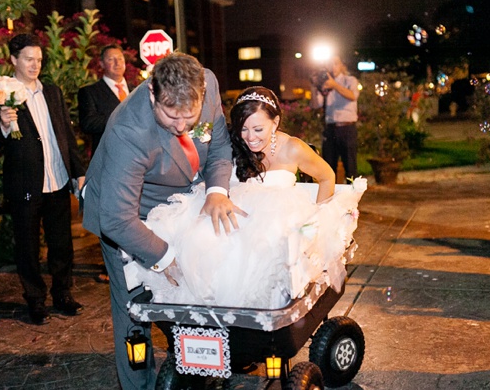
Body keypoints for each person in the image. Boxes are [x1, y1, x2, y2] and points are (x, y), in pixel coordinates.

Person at [81, 52, 240, 390]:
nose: (183, 125)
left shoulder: (208, 83)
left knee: (199, 284)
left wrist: (218, 190)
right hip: (129, 215)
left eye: (190, 116)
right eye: (172, 116)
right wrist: (164, 256)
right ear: (152, 93)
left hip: (182, 199)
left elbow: (218, 145)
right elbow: (115, 219)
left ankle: (195, 369)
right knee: (136, 311)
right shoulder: (127, 131)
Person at [134, 86, 366, 310]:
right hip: (230, 214)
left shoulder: (292, 148)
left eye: (258, 129)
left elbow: (327, 176)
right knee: (196, 240)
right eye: (243, 129)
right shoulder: (230, 143)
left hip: (275, 219)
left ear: (274, 122)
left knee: (253, 254)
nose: (250, 138)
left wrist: (318, 219)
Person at [0, 33, 85, 325]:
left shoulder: (51, 92)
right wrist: (2, 124)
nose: (35, 65)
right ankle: (35, 300)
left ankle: (62, 294)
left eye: (39, 59)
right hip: (25, 185)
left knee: (62, 243)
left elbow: (66, 135)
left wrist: (78, 172)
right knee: (27, 245)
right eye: (28, 59)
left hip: (57, 180)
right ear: (13, 59)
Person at [78, 44, 131, 284]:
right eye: (111, 59)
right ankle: (111, 265)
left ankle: (133, 262)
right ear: (102, 64)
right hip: (109, 161)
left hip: (137, 161)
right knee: (112, 213)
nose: (117, 63)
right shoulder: (90, 92)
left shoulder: (137, 89)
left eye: (120, 59)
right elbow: (88, 123)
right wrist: (123, 118)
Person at [310, 54, 360, 183]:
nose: (332, 67)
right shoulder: (325, 84)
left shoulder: (350, 80)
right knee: (328, 166)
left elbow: (352, 96)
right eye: (329, 64)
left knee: (350, 165)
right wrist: (314, 86)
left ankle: (352, 197)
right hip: (331, 128)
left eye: (335, 63)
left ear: (342, 66)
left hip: (347, 128)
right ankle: (330, 198)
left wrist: (334, 85)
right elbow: (316, 105)